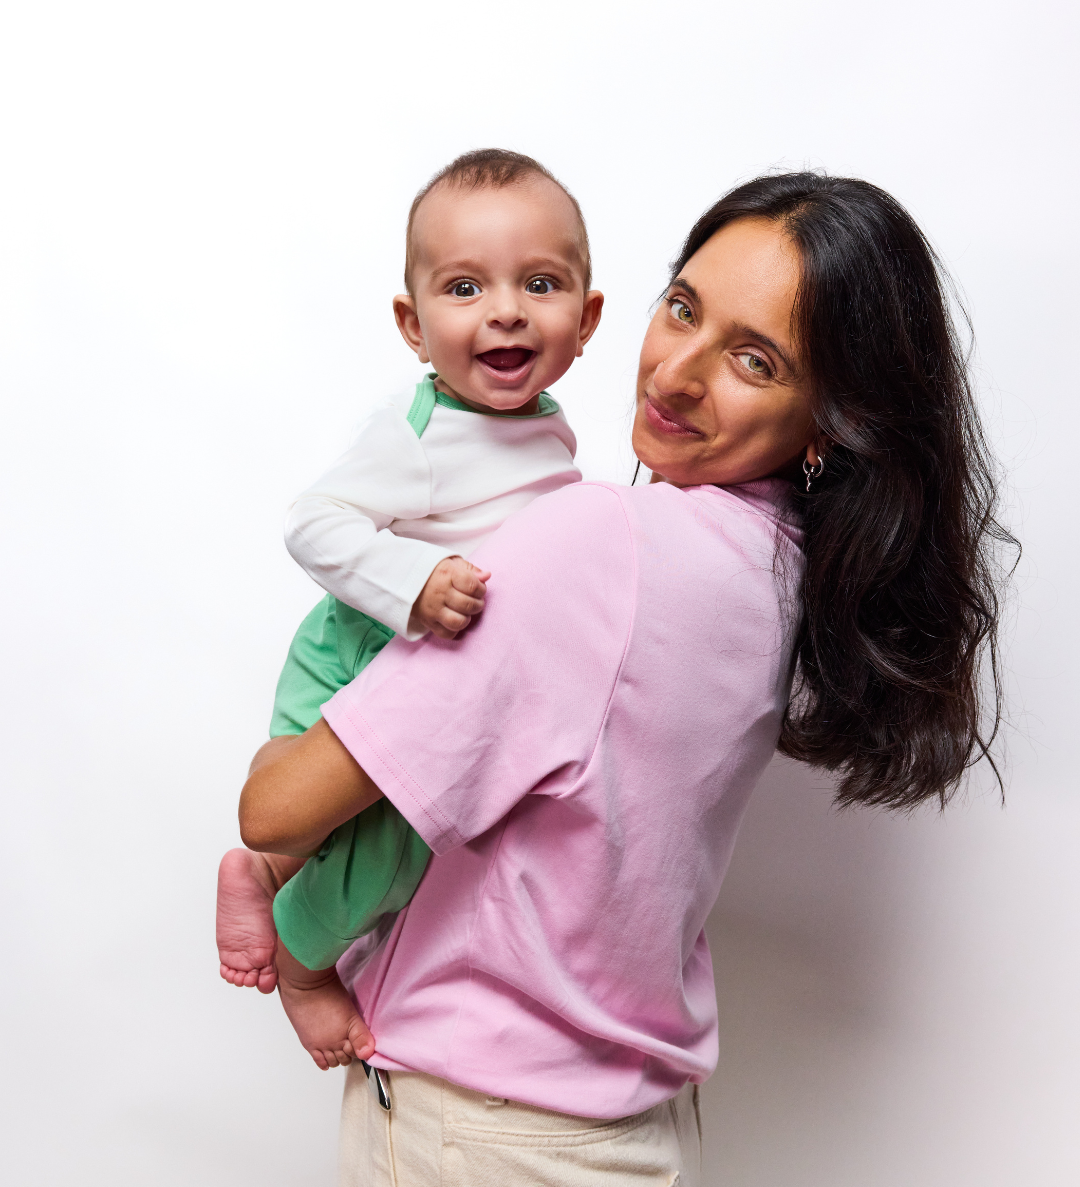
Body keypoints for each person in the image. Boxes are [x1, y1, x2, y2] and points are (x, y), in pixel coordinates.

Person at [238, 173, 1009, 1186]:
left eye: (753, 358)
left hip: (483, 1134)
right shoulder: (784, 576)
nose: (678, 373)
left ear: (829, 418)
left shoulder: (600, 538)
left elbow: (279, 812)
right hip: (633, 1129)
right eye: (683, 306)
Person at [216, 149, 603, 1067]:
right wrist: (414, 587)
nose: (506, 309)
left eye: (539, 283)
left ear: (585, 320)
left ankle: (260, 873)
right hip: (362, 646)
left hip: (419, 656)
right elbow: (313, 522)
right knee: (394, 845)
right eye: (464, 287)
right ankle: (306, 968)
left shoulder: (542, 420)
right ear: (413, 325)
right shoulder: (420, 432)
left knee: (341, 824)